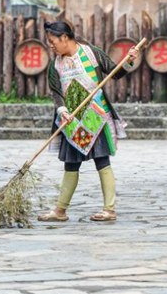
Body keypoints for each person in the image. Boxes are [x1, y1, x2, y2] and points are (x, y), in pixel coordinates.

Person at [38, 20, 139, 222]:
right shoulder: (55, 65)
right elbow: (56, 93)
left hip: (95, 117)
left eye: (52, 41)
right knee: (71, 164)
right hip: (71, 122)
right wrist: (63, 111)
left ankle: (109, 209)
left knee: (102, 160)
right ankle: (60, 211)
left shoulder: (91, 53)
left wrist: (128, 60)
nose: (51, 45)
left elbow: (115, 72)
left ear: (64, 37)